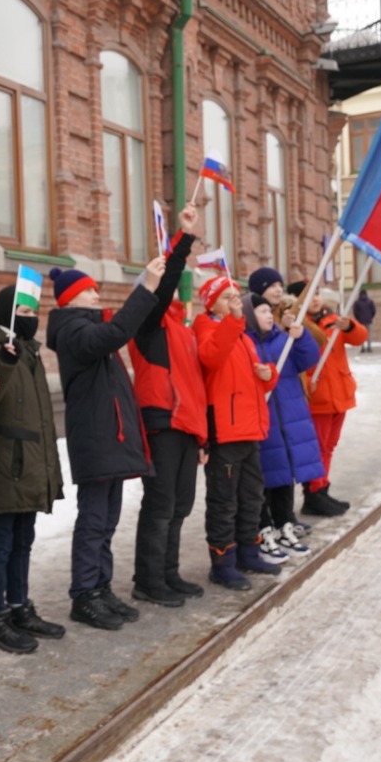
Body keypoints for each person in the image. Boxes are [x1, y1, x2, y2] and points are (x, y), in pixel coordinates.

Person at [47, 257, 165, 630]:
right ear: (69, 299)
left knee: (108, 520)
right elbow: (117, 332)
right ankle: (84, 595)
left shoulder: (88, 328)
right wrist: (146, 287)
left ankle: (101, 587)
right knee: (94, 520)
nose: (97, 296)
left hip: (109, 439)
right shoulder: (73, 331)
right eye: (89, 291)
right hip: (95, 441)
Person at [0, 283, 66, 653]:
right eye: (24, 313)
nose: (32, 319)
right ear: (6, 315)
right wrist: (4, 361)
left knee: (23, 540)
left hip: (29, 463)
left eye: (33, 313)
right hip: (7, 464)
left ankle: (18, 606)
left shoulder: (28, 350)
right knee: (2, 543)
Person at [128, 206, 209, 608]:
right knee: (160, 507)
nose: (173, 288)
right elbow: (163, 288)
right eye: (163, 284)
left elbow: (195, 386)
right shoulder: (148, 321)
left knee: (180, 506)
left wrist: (203, 435)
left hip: (187, 426)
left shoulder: (183, 329)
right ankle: (148, 580)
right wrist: (184, 239)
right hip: (162, 421)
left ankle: (168, 573)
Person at [193, 275, 280, 590]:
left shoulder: (242, 336)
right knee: (224, 502)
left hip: (250, 429)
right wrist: (233, 321)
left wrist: (269, 375)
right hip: (225, 432)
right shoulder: (207, 328)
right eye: (226, 296)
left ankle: (248, 553)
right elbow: (211, 357)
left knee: (251, 497)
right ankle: (222, 564)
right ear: (212, 303)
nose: (234, 301)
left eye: (235, 295)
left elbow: (256, 381)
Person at [246, 296, 323, 559]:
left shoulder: (283, 339)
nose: (270, 315)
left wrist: (300, 338)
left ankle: (284, 525)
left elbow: (308, 359)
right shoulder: (245, 342)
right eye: (262, 311)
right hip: (264, 421)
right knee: (266, 478)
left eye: (270, 311)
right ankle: (264, 530)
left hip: (290, 419)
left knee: (285, 475)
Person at [303, 290, 368, 512]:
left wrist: (349, 326)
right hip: (318, 396)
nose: (314, 299)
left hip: (340, 395)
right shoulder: (301, 325)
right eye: (308, 296)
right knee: (318, 448)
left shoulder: (334, 320)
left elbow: (359, 338)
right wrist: (308, 381)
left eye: (316, 294)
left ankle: (322, 488)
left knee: (329, 446)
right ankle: (314, 493)